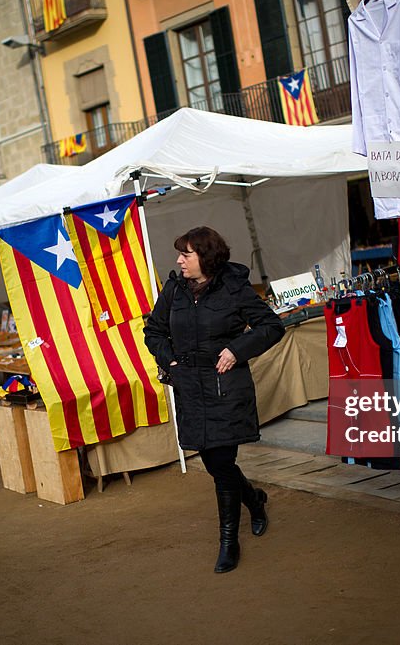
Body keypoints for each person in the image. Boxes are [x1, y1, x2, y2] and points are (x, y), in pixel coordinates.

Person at [144, 227, 285, 573]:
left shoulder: (234, 287)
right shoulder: (175, 289)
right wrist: (170, 359)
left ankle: (228, 542)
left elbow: (271, 326)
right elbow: (154, 331)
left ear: (205, 257)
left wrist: (237, 350)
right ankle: (253, 499)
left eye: (186, 254)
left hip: (226, 389)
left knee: (222, 466)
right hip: (190, 389)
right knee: (215, 464)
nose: (179, 260)